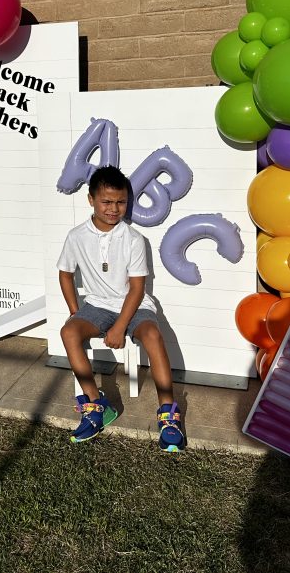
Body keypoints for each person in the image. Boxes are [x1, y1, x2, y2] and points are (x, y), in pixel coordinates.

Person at [57, 165, 185, 451]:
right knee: (69, 332)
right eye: (107, 201)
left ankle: (168, 416)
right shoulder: (76, 236)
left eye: (121, 202)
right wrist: (74, 310)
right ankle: (96, 405)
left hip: (134, 305)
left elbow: (137, 289)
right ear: (91, 199)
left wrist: (119, 327)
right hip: (97, 305)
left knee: (152, 335)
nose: (114, 209)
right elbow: (65, 273)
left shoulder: (134, 239)